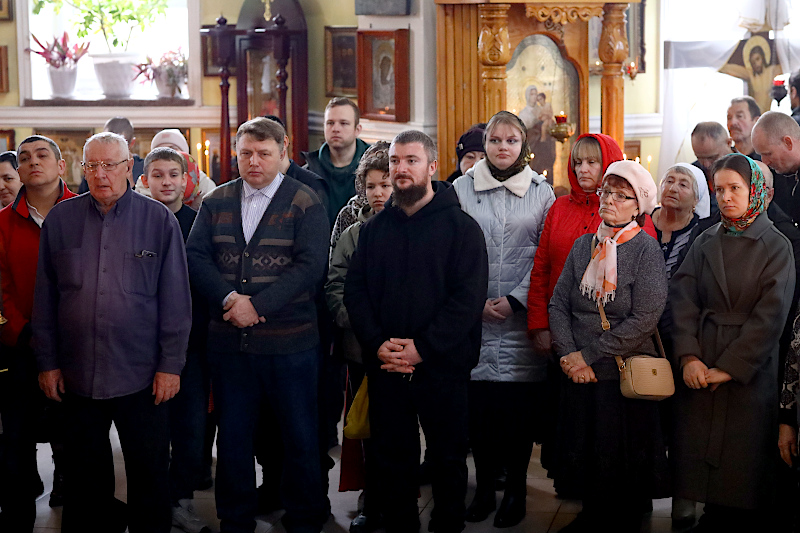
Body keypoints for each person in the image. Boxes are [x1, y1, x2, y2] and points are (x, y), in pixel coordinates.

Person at [32, 132, 192, 533]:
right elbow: (45, 298)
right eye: (93, 166)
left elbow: (176, 300)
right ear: (82, 169)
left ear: (129, 167)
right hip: (77, 374)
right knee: (84, 481)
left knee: (149, 476)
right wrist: (48, 362)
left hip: (143, 374)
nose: (101, 174)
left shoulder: (159, 221)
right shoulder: (60, 221)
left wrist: (170, 366)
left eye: (110, 165)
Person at [186, 117, 329, 533]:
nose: (254, 162)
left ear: (283, 152)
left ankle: (305, 517)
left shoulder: (305, 200)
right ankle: (235, 519)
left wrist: (258, 306)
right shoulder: (216, 201)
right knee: (233, 439)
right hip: (231, 347)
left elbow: (310, 267)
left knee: (300, 437)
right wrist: (230, 300)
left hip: (291, 345)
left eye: (264, 154)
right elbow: (195, 257)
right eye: (246, 153)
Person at [344, 130, 488, 533]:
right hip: (387, 365)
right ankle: (400, 524)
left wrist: (422, 348)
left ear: (431, 166)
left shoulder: (462, 228)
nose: (401, 169)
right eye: (395, 161)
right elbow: (355, 292)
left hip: (443, 365)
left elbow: (467, 299)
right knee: (392, 457)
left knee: (447, 457)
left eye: (411, 160)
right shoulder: (374, 230)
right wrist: (378, 344)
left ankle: (447, 524)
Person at [670, 153, 795, 532]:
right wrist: (689, 356)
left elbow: (770, 317)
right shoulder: (705, 240)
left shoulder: (776, 245)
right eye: (719, 189)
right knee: (701, 460)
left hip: (749, 371)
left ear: (755, 191)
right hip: (702, 360)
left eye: (735, 188)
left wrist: (730, 368)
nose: (725, 197)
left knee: (741, 466)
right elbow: (683, 299)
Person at [549, 160, 668, 533]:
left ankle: (622, 520)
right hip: (579, 371)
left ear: (638, 205)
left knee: (619, 456)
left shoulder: (646, 250)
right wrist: (569, 355)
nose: (609, 200)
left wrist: (587, 356)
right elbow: (558, 304)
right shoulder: (583, 245)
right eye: (606, 192)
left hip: (621, 372)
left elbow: (645, 318)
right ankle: (592, 515)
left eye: (621, 195)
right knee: (584, 450)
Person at [453, 111, 555, 528]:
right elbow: (451, 252)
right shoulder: (461, 188)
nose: (502, 147)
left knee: (517, 417)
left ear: (523, 146)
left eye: (511, 141)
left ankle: (515, 490)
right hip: (473, 319)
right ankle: (483, 492)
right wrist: (473, 300)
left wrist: (515, 300)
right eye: (495, 140)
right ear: (485, 143)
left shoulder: (541, 193)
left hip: (519, 321)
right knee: (479, 416)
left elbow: (545, 256)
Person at [0, 136, 77, 531]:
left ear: (61, 166)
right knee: (17, 444)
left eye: (42, 155)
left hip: (78, 347)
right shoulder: (3, 222)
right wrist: (23, 331)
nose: (33, 162)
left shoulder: (86, 212)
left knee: (79, 445)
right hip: (21, 347)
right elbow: (0, 288)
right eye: (25, 157)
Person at [141, 147, 212, 533]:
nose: (166, 182)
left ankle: (181, 499)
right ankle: (155, 503)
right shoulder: (135, 220)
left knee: (191, 430)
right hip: (144, 346)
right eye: (157, 175)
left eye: (173, 174)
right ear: (144, 180)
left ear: (187, 180)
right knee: (152, 432)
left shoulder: (201, 222)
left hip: (193, 345)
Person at [325, 141, 391, 533]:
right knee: (365, 425)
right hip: (361, 346)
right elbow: (336, 285)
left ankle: (395, 496)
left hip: (404, 347)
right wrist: (363, 326)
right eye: (371, 186)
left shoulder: (413, 226)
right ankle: (370, 495)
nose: (379, 193)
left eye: (386, 184)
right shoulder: (352, 231)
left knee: (398, 429)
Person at [650, 163, 709, 527]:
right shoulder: (642, 223)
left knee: (683, 424)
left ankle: (684, 501)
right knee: (643, 422)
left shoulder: (703, 232)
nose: (673, 187)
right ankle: (639, 493)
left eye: (683, 184)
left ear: (697, 197)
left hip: (683, 338)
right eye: (669, 180)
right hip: (639, 339)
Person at [302, 97, 371, 227]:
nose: (335, 129)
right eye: (330, 123)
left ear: (357, 130)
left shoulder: (374, 169)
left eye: (343, 123)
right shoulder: (308, 174)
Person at [136, 129, 216, 210]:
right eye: (160, 150)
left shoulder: (204, 182)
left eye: (172, 148)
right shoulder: (144, 182)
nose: (167, 153)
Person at [751, 111, 800, 224]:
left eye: (768, 154)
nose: (765, 162)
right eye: (761, 155)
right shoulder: (787, 174)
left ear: (788, 143)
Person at [691, 121, 733, 216]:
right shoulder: (693, 173)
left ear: (729, 143)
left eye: (712, 157)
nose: (706, 164)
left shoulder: (748, 168)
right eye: (699, 158)